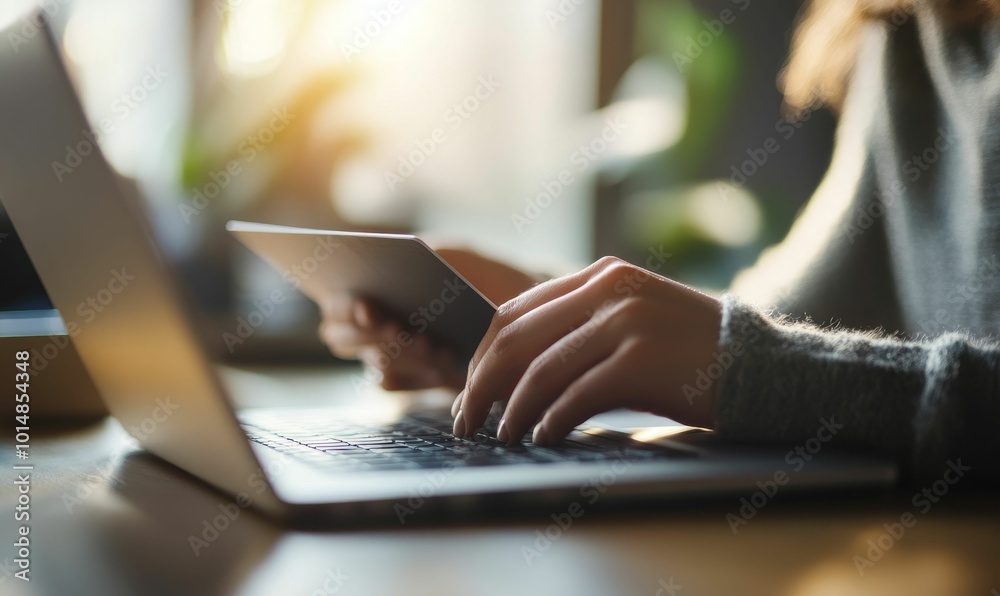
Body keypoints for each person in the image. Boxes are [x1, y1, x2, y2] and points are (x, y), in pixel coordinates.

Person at [319, 0, 1000, 484]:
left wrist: (754, 372)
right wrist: (539, 312)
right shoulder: (906, 18)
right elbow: (794, 319)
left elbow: (772, 361)